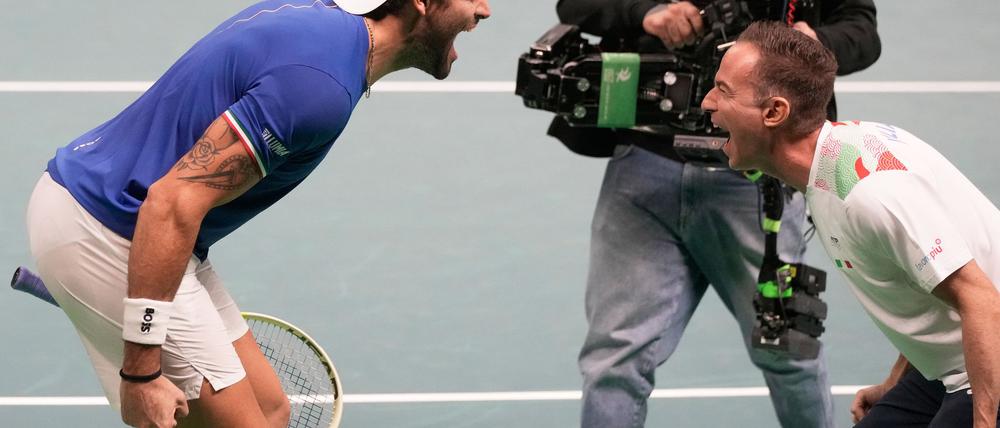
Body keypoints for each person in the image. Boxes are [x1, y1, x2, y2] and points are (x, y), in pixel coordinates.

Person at [24, 0, 490, 426]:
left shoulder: (324, 25)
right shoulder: (317, 87)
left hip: (115, 211)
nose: (484, 10)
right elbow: (171, 203)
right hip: (110, 227)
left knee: (269, 410)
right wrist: (142, 371)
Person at [553, 1, 880, 426]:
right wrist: (645, 11)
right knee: (614, 359)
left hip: (760, 180)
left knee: (789, 353)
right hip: (644, 168)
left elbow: (861, 31)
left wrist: (813, 43)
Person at [702, 20, 1000, 428]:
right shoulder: (833, 162)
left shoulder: (867, 196)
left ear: (774, 112)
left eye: (723, 90)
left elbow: (983, 301)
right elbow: (925, 288)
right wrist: (895, 384)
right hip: (957, 359)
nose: (706, 103)